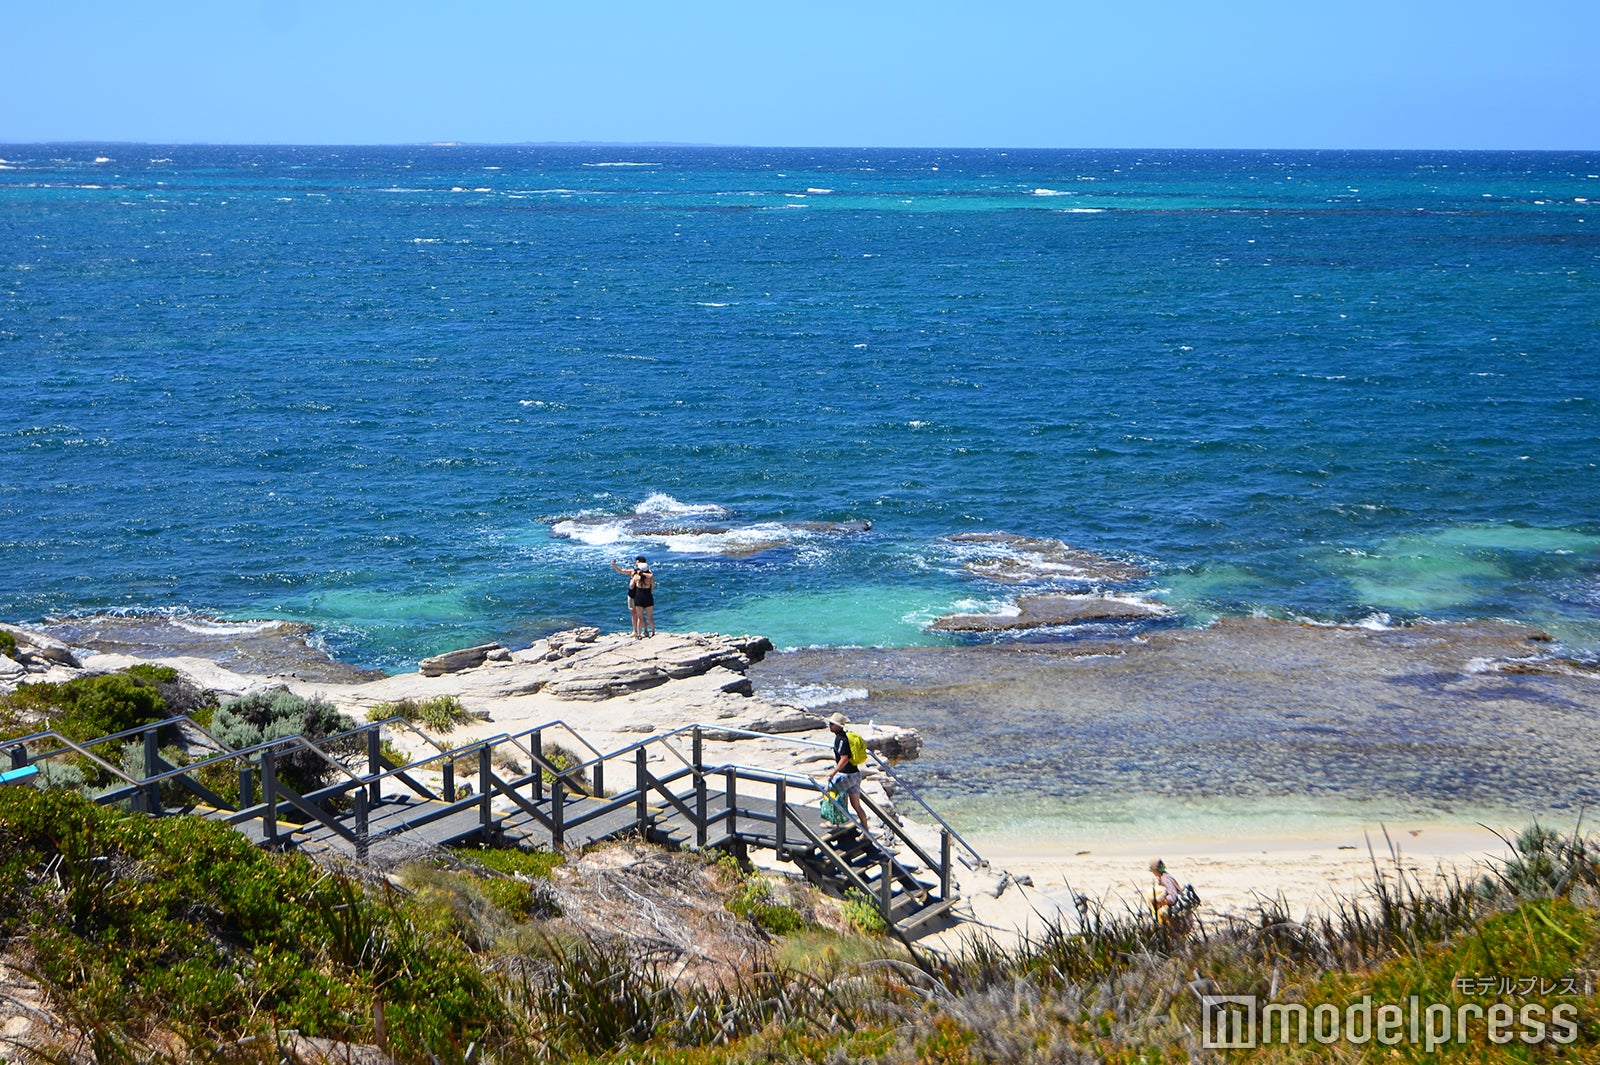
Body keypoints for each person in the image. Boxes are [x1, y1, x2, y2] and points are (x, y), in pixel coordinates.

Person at [826, 711, 873, 836]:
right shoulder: (846, 737)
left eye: (832, 724)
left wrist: (834, 772)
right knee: (856, 805)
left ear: (838, 726)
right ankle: (866, 832)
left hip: (846, 775)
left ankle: (834, 822)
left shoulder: (841, 739)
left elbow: (844, 758)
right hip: (856, 774)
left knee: (830, 793)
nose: (829, 726)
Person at [610, 556, 656, 638]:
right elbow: (621, 571)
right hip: (638, 595)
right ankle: (637, 631)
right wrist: (614, 566)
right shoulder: (641, 572)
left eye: (637, 562)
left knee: (639, 615)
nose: (636, 563)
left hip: (637, 595)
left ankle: (642, 631)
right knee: (636, 614)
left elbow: (631, 586)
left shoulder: (639, 573)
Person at [1150, 858, 1186, 927]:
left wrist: (1159, 901)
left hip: (1174, 915)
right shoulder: (1163, 877)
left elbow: (1172, 898)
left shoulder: (1166, 879)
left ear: (1155, 870)